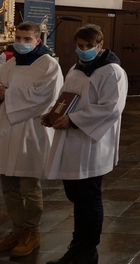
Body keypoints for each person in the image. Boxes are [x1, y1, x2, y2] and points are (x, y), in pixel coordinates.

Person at [42, 24, 128, 264]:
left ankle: (87, 251)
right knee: (77, 195)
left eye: (88, 46)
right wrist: (52, 114)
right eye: (79, 46)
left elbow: (112, 108)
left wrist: (73, 120)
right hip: (72, 140)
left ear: (99, 45)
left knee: (88, 197)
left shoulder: (112, 71)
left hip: (92, 143)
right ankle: (77, 247)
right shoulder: (76, 67)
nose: (83, 51)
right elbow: (66, 97)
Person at [0, 22, 63, 257]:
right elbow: (2, 85)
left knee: (29, 185)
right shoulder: (12, 62)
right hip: (7, 128)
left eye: (27, 39)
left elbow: (45, 98)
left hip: (31, 129)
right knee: (8, 185)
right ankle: (17, 229)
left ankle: (32, 232)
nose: (21, 43)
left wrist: (8, 94)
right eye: (18, 38)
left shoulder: (48, 65)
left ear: (38, 40)